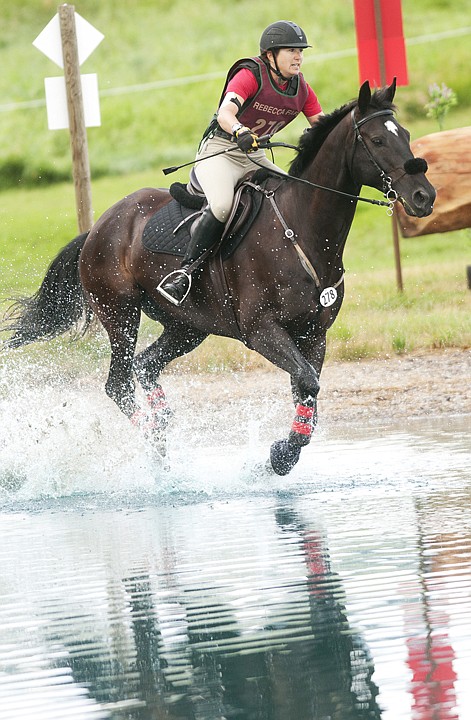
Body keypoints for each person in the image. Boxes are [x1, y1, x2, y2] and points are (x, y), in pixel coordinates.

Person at [157, 20, 324, 305]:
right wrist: (240, 130)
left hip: (254, 156)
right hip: (221, 151)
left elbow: (322, 127)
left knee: (293, 196)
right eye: (291, 50)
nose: (298, 56)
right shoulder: (250, 75)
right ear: (270, 55)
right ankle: (184, 273)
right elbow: (225, 114)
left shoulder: (302, 90)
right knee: (221, 205)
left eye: (301, 51)